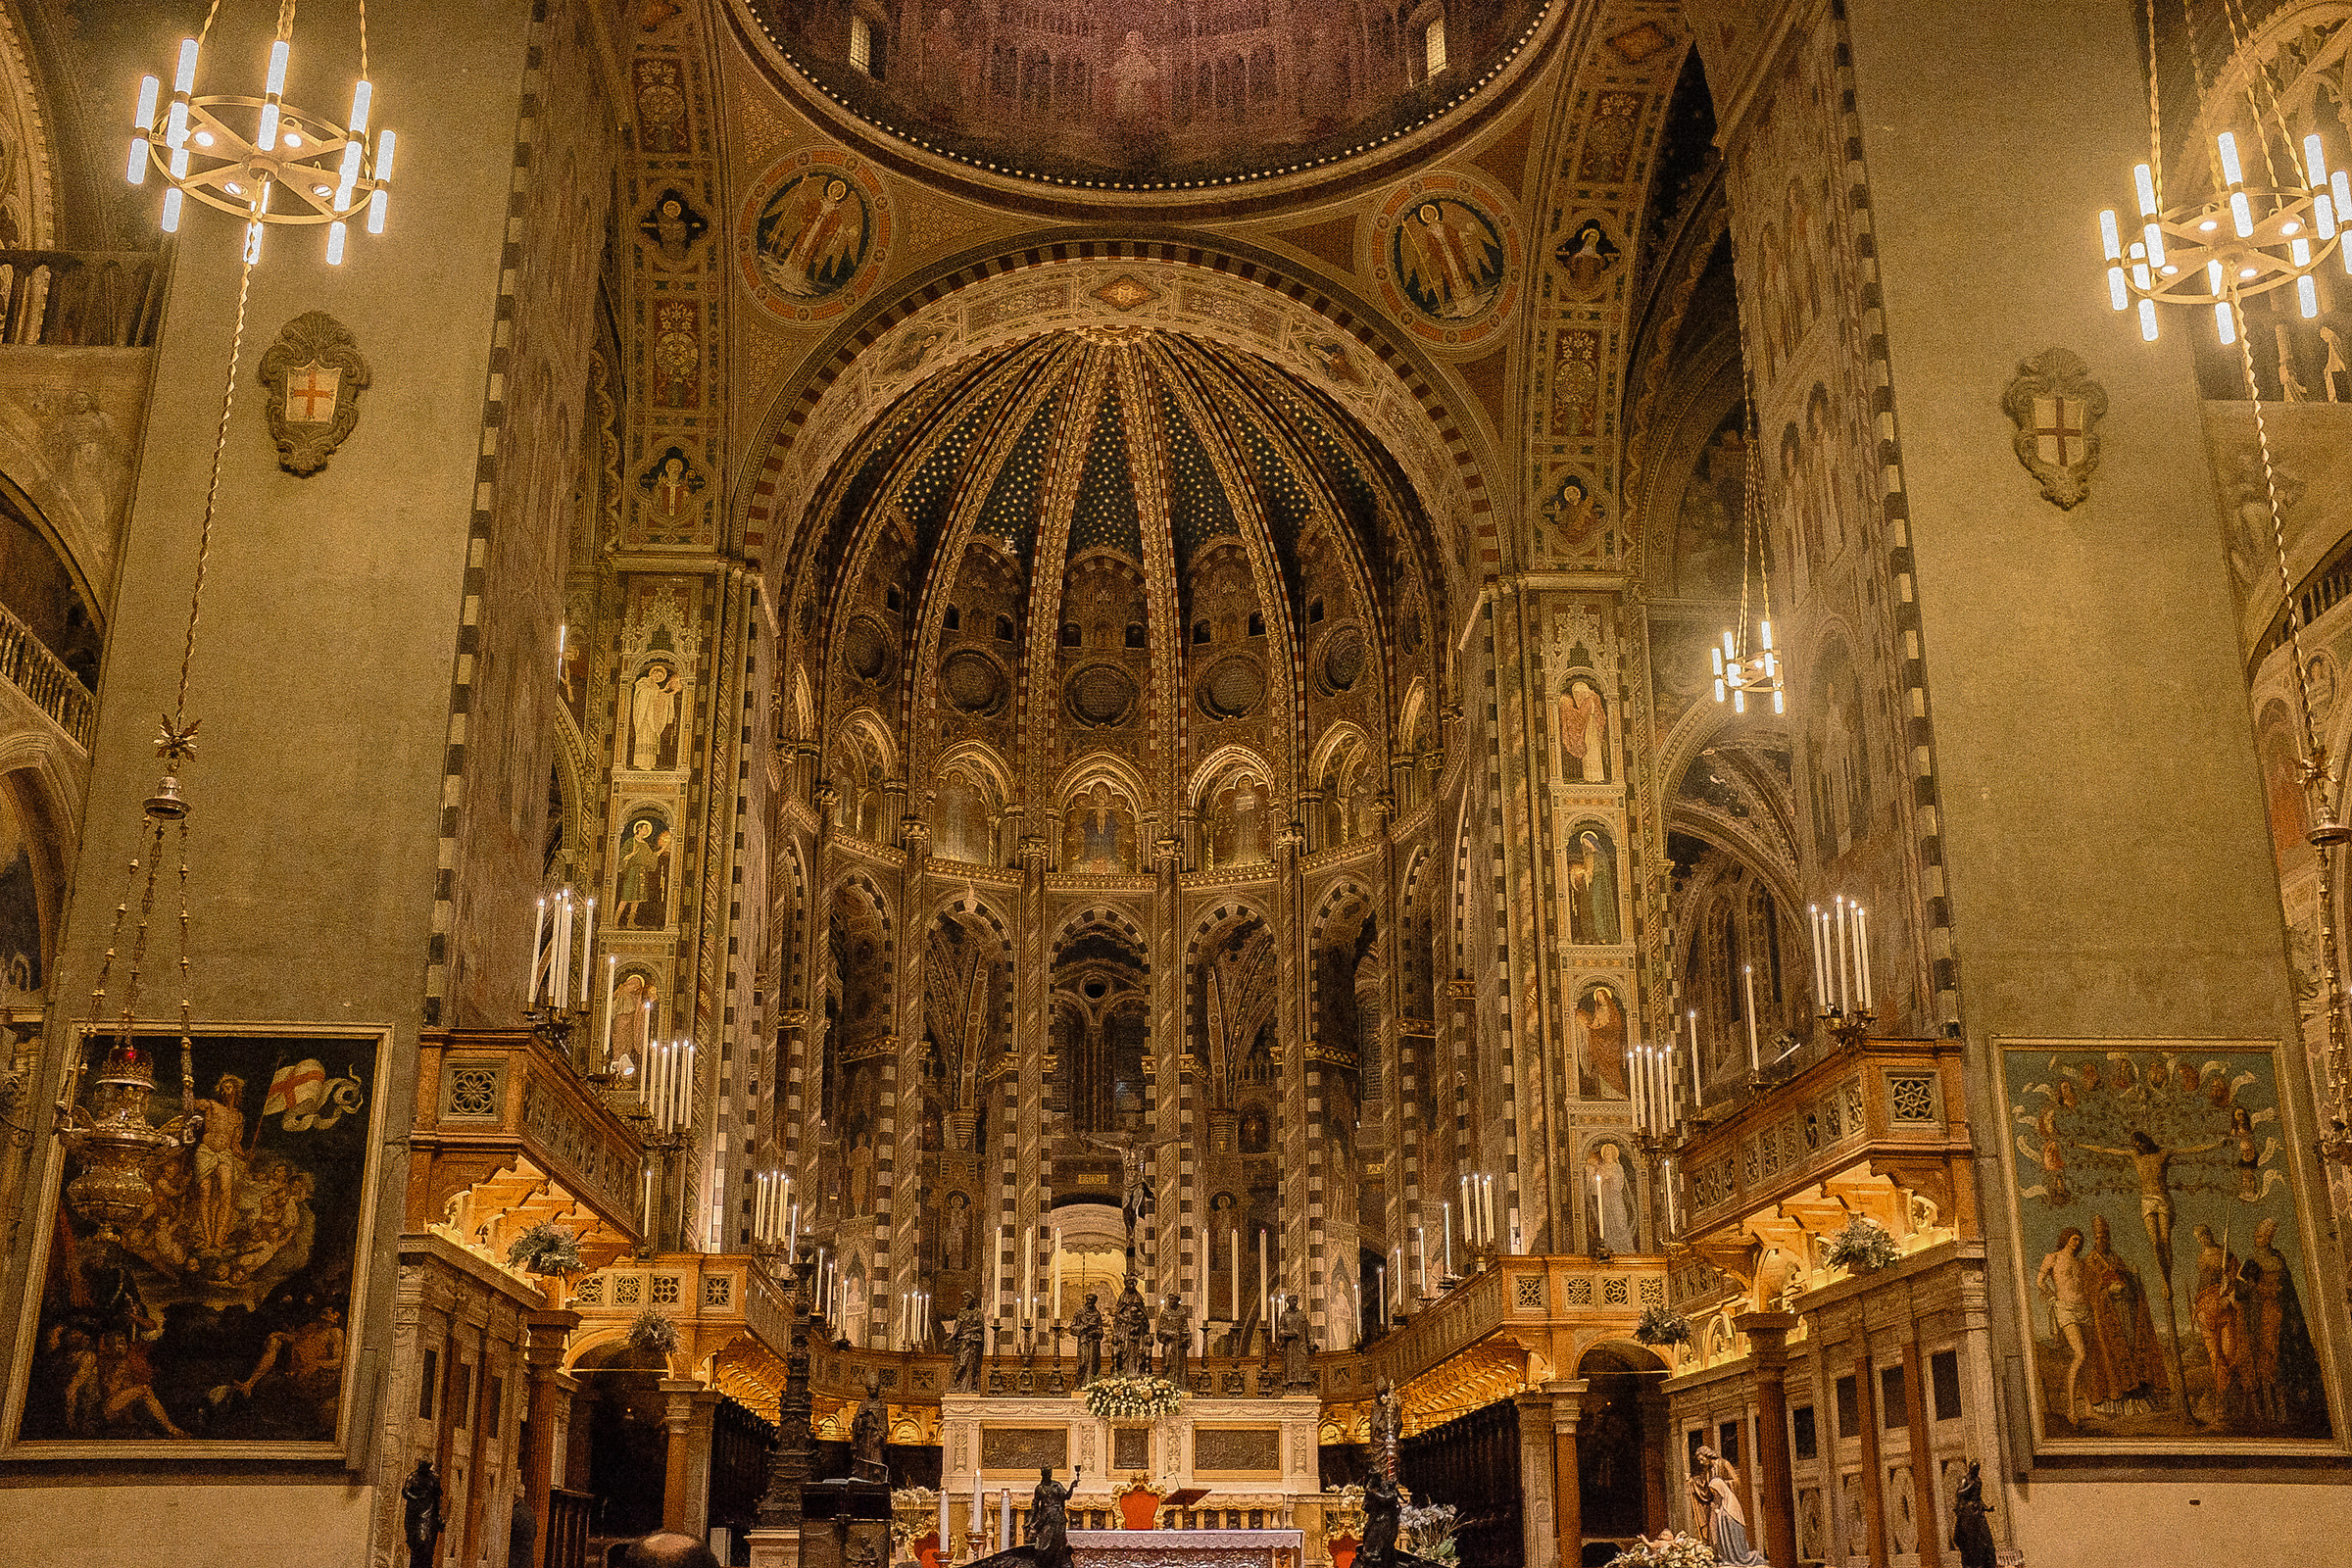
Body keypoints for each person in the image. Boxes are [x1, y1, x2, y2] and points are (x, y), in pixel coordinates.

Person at [2034, 1227, 2092, 1423]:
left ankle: (2089, 1408)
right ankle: (2071, 1409)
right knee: (2080, 1354)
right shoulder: (2053, 1258)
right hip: (2066, 1309)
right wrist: (2052, 1296)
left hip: (2084, 1309)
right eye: (2074, 1239)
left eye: (2079, 1240)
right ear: (2066, 1239)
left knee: (2086, 1360)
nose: (2077, 1243)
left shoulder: (2080, 1262)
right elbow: (2040, 1281)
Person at [1691, 1446, 1768, 1566]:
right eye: (1699, 1460)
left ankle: (1733, 1557)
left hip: (1727, 1501)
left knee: (1729, 1528)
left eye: (1702, 1459)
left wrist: (1720, 1485)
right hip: (1716, 1503)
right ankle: (1722, 1556)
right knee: (1715, 1531)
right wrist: (1692, 1482)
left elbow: (1736, 1482)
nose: (1701, 1463)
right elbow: (1703, 1486)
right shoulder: (1708, 1470)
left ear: (1708, 1455)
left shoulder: (1724, 1464)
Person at [1028, 1464, 1080, 1568]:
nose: (1049, 1475)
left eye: (1050, 1473)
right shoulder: (1039, 1488)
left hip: (1058, 1516)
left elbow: (1066, 1496)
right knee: (1043, 1542)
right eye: (1047, 1474)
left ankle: (1057, 1563)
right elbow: (1035, 1505)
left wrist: (1071, 1487)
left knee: (1059, 1542)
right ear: (1043, 1474)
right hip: (1045, 1518)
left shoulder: (1056, 1485)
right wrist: (1031, 1520)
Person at [1112, 1279, 1151, 1376]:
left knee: (1138, 1351)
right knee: (1124, 1349)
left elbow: (1144, 1314)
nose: (1132, 1285)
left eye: (1134, 1283)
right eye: (1130, 1283)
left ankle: (1138, 1371)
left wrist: (1139, 1319)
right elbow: (1118, 1314)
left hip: (1137, 1330)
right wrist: (1125, 1319)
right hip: (1125, 1330)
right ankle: (1123, 1372)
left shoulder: (1138, 1297)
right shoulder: (1123, 1297)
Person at [1275, 1293, 1313, 1390]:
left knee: (1302, 1364)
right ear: (1288, 1301)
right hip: (1290, 1345)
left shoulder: (1301, 1315)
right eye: (1293, 1300)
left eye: (1296, 1300)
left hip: (1301, 1344)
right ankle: (1292, 1386)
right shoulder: (1285, 1315)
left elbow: (1308, 1329)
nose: (1295, 1302)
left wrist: (1311, 1340)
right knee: (1291, 1366)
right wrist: (1290, 1333)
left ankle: (1303, 1386)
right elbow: (1281, 1331)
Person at [951, 1292, 986, 1393]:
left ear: (972, 1299)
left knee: (974, 1366)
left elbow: (981, 1327)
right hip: (964, 1341)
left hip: (975, 1342)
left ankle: (972, 1387)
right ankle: (957, 1385)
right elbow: (957, 1327)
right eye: (964, 1299)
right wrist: (951, 1337)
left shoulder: (978, 1312)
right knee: (961, 1364)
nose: (965, 1301)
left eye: (967, 1299)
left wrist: (971, 1330)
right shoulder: (962, 1312)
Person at [1155, 1294, 1191, 1387]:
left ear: (1177, 1301)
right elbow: (1160, 1330)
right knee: (1167, 1365)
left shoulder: (1182, 1313)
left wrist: (1185, 1338)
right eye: (1169, 1299)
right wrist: (1169, 1333)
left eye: (1173, 1299)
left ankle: (1180, 1386)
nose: (1171, 1301)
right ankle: (1168, 1386)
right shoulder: (1165, 1313)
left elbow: (1185, 1328)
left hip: (1179, 1346)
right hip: (1169, 1343)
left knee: (1180, 1366)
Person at [1071, 1293, 1104, 1387]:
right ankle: (1080, 1384)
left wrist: (1095, 1333)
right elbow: (1072, 1328)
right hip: (1083, 1341)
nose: (1090, 1302)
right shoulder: (1080, 1312)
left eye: (1092, 1300)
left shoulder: (1097, 1314)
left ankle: (1091, 1385)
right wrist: (1085, 1327)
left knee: (1093, 1364)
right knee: (1083, 1362)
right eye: (1088, 1299)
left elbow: (1100, 1330)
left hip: (1093, 1342)